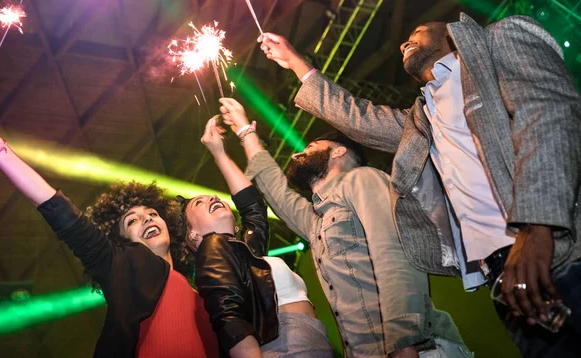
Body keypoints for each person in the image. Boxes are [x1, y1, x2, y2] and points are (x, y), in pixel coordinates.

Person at [258, 13, 581, 357]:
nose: (402, 42)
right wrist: (295, 62)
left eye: (416, 30)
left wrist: (537, 228)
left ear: (451, 32)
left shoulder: (497, 41)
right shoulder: (419, 120)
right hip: (501, 273)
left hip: (559, 243)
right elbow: (355, 117)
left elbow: (549, 116)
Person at [218, 97, 471, 358]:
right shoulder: (319, 220)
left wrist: (404, 342)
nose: (296, 153)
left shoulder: (362, 179)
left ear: (339, 151)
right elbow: (277, 192)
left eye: (312, 146)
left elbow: (393, 255)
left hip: (417, 349)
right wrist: (244, 130)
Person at [0, 99, 219, 357]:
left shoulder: (208, 296)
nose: (148, 219)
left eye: (152, 214)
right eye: (132, 220)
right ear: (121, 241)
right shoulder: (118, 266)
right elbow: (58, 210)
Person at [177, 117, 334, 358]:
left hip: (309, 341)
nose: (212, 198)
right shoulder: (213, 245)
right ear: (192, 234)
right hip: (285, 348)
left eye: (213, 196)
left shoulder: (243, 255)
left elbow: (253, 209)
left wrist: (219, 153)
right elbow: (228, 316)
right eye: (200, 202)